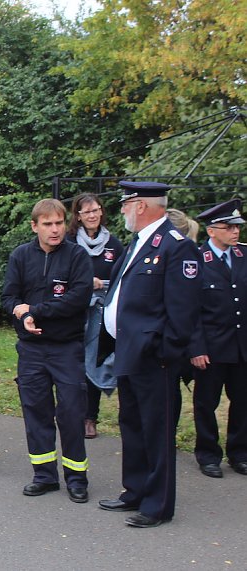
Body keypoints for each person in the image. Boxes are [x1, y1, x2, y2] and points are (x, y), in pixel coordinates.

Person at [97, 180, 202, 528]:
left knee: (156, 431)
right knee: (133, 425)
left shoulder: (176, 247)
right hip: (129, 351)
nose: (122, 209)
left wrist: (164, 352)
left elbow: (183, 311)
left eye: (126, 203)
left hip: (154, 357)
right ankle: (136, 490)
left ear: (141, 205)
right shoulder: (139, 242)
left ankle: (158, 505)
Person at [2, 199, 94, 503]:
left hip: (66, 348)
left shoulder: (77, 256)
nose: (55, 230)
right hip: (31, 350)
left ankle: (76, 478)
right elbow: (9, 297)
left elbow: (77, 299)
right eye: (47, 224)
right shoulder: (20, 256)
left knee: (70, 412)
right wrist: (22, 314)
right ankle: (43, 475)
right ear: (34, 226)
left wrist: (36, 310)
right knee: (36, 411)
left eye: (59, 223)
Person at [189, 199, 247, 478]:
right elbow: (191, 310)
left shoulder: (243, 256)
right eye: (229, 227)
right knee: (206, 403)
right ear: (212, 231)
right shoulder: (198, 261)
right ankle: (208, 454)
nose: (235, 232)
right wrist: (196, 347)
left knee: (242, 401)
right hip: (211, 347)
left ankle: (240, 452)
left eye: (237, 227)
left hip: (241, 346)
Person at [67, 193, 124, 439]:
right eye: (86, 212)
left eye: (95, 210)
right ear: (78, 216)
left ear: (101, 212)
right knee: (71, 361)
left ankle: (90, 417)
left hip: (101, 312)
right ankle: (71, 413)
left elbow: (122, 278)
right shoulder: (68, 241)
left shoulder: (114, 244)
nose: (91, 216)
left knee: (93, 361)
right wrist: (83, 282)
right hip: (72, 311)